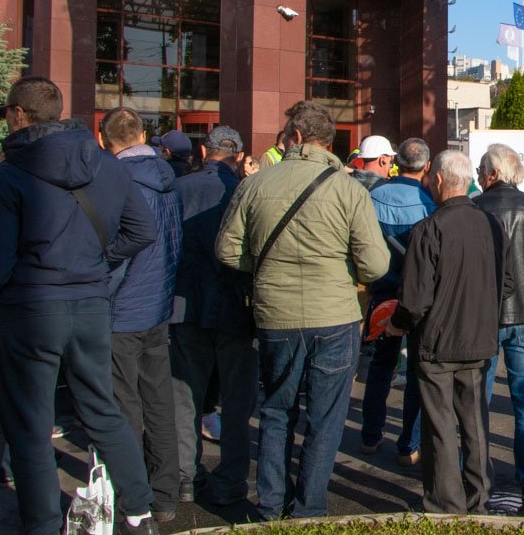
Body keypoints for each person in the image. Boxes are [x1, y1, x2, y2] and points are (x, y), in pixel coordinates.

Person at [0, 76, 160, 535]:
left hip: (31, 308)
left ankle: (41, 524)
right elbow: (143, 232)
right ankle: (139, 513)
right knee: (102, 410)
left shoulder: (8, 173)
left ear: (19, 114)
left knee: (30, 423)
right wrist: (95, 262)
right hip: (91, 304)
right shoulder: (105, 164)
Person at [215, 100, 390, 520]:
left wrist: (263, 267)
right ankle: (309, 507)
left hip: (275, 315)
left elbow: (227, 251)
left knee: (276, 410)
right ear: (329, 143)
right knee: (326, 417)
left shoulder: (255, 184)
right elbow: (376, 265)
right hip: (335, 315)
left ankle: (271, 504)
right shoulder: (349, 188)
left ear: (294, 137)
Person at [386, 150, 504, 514]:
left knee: (440, 427)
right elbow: (505, 282)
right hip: (479, 338)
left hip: (437, 343)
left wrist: (396, 325)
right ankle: (479, 498)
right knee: (475, 425)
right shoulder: (492, 224)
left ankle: (444, 505)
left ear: (437, 180)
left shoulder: (429, 229)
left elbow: (415, 299)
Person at [99, 107, 184, 522]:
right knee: (158, 403)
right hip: (157, 304)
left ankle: (127, 498)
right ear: (143, 134)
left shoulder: (117, 181)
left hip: (123, 309)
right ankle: (165, 495)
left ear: (104, 140)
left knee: (124, 408)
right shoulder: (168, 178)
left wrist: (100, 283)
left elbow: (121, 249)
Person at [170, 125, 257, 506]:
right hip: (234, 306)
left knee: (185, 395)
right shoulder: (243, 191)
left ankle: (185, 475)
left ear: (205, 153)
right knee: (237, 401)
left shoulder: (179, 188)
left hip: (186, 304)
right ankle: (231, 478)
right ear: (237, 156)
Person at [473, 144, 524, 513]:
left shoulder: (475, 208)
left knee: (477, 401)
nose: (476, 175)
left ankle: (475, 473)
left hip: (483, 316)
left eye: (479, 170)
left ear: (491, 174)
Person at [361, 137, 435, 463]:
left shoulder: (372, 197)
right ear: (427, 167)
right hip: (418, 296)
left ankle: (370, 435)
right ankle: (409, 445)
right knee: (417, 371)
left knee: (380, 366)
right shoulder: (430, 203)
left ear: (395, 162)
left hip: (381, 291)